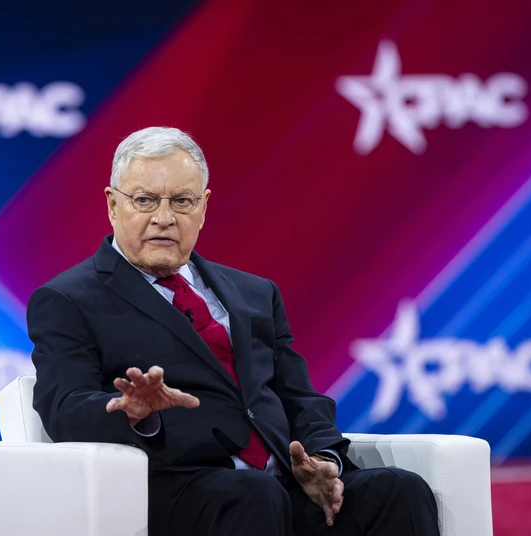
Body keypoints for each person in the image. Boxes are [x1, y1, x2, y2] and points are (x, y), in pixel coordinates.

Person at [27, 127, 439, 536]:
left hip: (281, 486)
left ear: (203, 208)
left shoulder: (255, 292)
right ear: (113, 205)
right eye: (144, 200)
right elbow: (64, 407)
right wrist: (132, 410)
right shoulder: (68, 299)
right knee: (254, 495)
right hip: (180, 490)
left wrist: (323, 459)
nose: (164, 218)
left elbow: (298, 397)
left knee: (399, 490)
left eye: (182, 201)